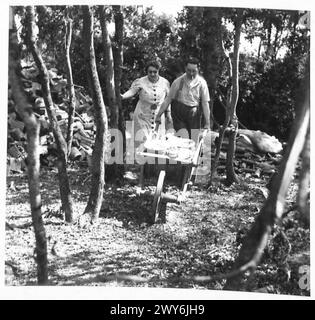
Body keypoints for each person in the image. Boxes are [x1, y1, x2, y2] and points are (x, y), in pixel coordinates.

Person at [155, 57, 211, 140]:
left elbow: (205, 103)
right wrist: (159, 114)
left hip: (194, 114)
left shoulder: (202, 83)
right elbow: (168, 99)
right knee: (182, 138)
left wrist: (207, 123)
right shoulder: (178, 82)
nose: (191, 73)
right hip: (179, 113)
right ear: (185, 69)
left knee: (194, 139)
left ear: (198, 70)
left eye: (194, 71)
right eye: (189, 70)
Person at [121, 60, 171, 145]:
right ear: (147, 72)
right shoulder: (140, 81)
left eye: (155, 72)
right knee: (142, 143)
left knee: (156, 144)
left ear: (159, 71)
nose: (152, 74)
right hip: (142, 116)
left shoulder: (165, 82)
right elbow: (132, 91)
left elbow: (167, 99)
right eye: (150, 72)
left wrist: (169, 113)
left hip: (158, 117)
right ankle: (138, 158)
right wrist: (123, 96)